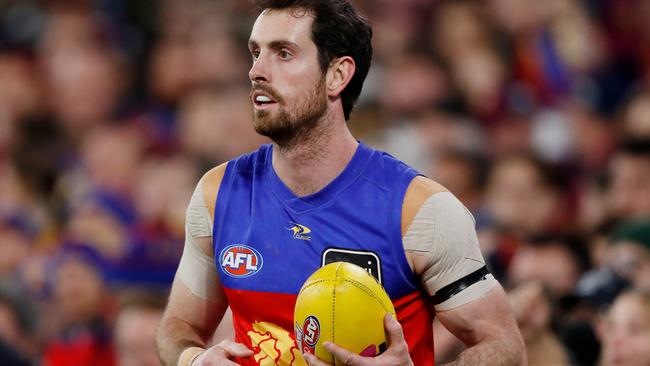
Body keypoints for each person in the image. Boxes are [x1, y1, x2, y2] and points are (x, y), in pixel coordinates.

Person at [156, 1, 525, 365]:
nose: (256, 71)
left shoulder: (417, 209)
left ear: (337, 75)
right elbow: (177, 327)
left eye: (283, 53)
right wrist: (195, 360)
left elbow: (505, 347)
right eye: (255, 53)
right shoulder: (217, 193)